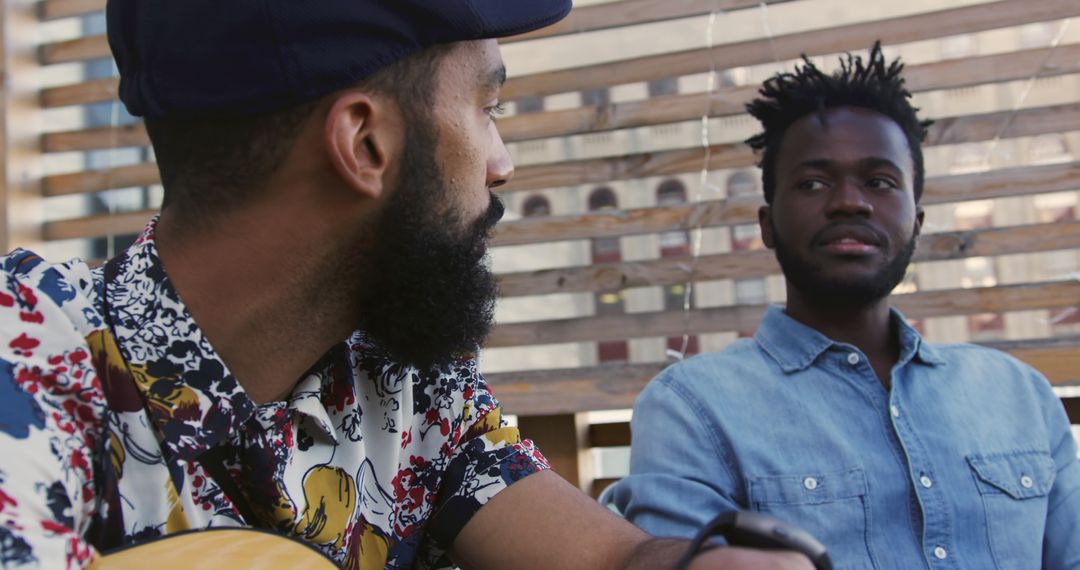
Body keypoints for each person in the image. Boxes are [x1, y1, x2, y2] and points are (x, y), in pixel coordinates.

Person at [0, 1, 819, 569]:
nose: (504, 163)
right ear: (365, 144)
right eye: (487, 107)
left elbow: (611, 557)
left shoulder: (410, 389)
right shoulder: (30, 357)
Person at [608, 43, 1080, 569]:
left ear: (916, 224)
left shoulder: (1020, 394)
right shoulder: (691, 407)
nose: (849, 201)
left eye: (879, 182)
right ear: (767, 225)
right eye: (814, 182)